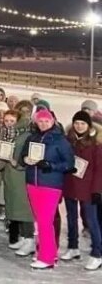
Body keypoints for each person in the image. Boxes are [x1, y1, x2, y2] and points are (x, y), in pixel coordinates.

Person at [24, 108, 75, 269]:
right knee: (40, 222)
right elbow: (23, 155)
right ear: (36, 122)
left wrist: (50, 165)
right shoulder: (33, 137)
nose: (43, 124)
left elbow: (69, 164)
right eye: (40, 121)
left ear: (52, 121)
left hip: (51, 185)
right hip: (33, 182)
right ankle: (48, 252)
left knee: (46, 221)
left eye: (47, 121)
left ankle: (46, 259)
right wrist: (26, 158)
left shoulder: (60, 140)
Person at [62, 110, 102, 269]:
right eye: (77, 123)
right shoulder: (68, 140)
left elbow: (100, 170)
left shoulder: (95, 145)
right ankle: (73, 247)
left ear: (88, 125)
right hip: (70, 185)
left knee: (92, 222)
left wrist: (97, 190)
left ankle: (97, 253)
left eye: (83, 123)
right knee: (71, 218)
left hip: (88, 188)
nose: (79, 126)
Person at [0, 109, 35, 256]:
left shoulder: (26, 135)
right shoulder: (9, 133)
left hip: (20, 176)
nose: (9, 124)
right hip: (9, 175)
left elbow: (29, 155)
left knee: (24, 208)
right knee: (15, 207)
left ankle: (29, 239)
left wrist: (18, 164)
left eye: (13, 121)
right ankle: (24, 237)